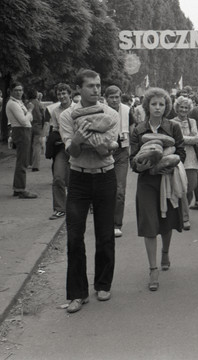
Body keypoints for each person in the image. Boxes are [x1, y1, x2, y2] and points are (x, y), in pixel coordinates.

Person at [59, 69, 119, 313]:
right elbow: (71, 152)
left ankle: (103, 284)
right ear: (79, 89)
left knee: (105, 235)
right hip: (79, 179)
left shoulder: (111, 114)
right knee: (74, 236)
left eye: (99, 84)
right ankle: (77, 293)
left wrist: (91, 142)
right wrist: (78, 141)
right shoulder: (67, 116)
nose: (96, 89)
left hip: (105, 177)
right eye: (91, 86)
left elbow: (107, 150)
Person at [129, 87, 185, 291]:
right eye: (154, 104)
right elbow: (132, 160)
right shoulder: (138, 130)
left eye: (162, 104)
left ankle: (165, 252)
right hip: (146, 182)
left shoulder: (173, 127)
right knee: (149, 224)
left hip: (167, 180)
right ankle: (153, 269)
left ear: (167, 106)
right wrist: (141, 166)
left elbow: (181, 153)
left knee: (167, 221)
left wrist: (168, 165)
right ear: (147, 106)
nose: (158, 107)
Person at [104, 85, 135, 238]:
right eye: (111, 97)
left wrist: (134, 153)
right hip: (103, 152)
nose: (115, 100)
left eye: (117, 97)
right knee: (104, 189)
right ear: (106, 98)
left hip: (122, 152)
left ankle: (117, 223)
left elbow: (133, 130)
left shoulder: (128, 110)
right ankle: (104, 221)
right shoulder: (100, 110)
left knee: (119, 190)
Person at [171, 96, 198, 230]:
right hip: (177, 158)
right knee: (181, 188)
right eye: (181, 107)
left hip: (191, 159)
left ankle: (184, 209)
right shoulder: (171, 122)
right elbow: (171, 140)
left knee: (191, 186)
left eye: (186, 107)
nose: (183, 110)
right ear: (177, 108)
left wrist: (180, 138)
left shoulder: (192, 121)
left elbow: (196, 139)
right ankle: (184, 217)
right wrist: (185, 139)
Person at [6, 82, 37, 199]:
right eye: (16, 90)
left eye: (20, 90)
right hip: (21, 131)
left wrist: (28, 112)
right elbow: (24, 121)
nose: (19, 92)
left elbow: (30, 119)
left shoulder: (19, 103)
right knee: (22, 161)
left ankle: (18, 187)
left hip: (24, 131)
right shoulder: (13, 104)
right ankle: (20, 189)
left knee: (23, 160)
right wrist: (29, 110)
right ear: (11, 91)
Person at [48, 83, 72, 220]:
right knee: (58, 177)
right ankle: (59, 208)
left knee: (81, 177)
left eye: (64, 93)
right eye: (59, 94)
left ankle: (89, 203)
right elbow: (55, 128)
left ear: (69, 94)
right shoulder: (55, 111)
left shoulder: (78, 108)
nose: (62, 96)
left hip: (79, 147)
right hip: (62, 147)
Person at [26, 89, 44, 172]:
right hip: (38, 126)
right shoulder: (39, 104)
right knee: (37, 145)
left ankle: (28, 163)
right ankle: (35, 165)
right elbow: (43, 116)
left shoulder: (26, 104)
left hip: (28, 126)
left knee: (29, 145)